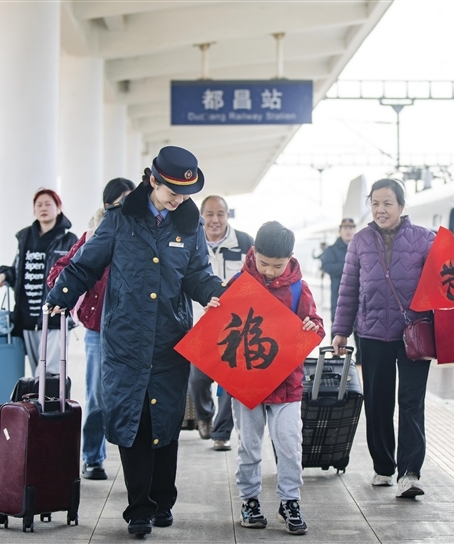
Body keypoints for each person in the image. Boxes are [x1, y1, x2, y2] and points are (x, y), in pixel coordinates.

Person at [44, 146, 224, 538]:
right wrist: (61, 295)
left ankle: (163, 500)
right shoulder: (120, 219)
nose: (178, 199)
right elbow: (87, 263)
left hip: (170, 340)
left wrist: (214, 292)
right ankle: (139, 507)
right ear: (153, 181)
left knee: (167, 422)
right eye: (171, 190)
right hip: (125, 341)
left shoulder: (188, 226)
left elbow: (197, 275)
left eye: (184, 193)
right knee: (134, 423)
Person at [331, 178, 435, 498]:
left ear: (402, 207)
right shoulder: (360, 241)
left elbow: (442, 282)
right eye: (375, 203)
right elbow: (348, 290)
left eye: (387, 203)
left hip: (414, 333)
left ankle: (410, 473)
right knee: (378, 403)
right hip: (372, 333)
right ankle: (383, 466)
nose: (380, 209)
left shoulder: (425, 240)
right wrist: (340, 331)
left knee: (411, 402)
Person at [228, 221, 325, 536]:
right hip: (247, 384)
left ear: (291, 258)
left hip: (287, 384)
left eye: (277, 265)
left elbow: (316, 324)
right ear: (253, 252)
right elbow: (222, 327)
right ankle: (250, 500)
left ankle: (289, 501)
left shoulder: (298, 288)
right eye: (264, 263)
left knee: (289, 444)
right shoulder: (239, 283)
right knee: (249, 445)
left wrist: (312, 327)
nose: (269, 271)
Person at [47, 178, 135, 481]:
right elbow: (61, 271)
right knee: (98, 396)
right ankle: (93, 458)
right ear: (108, 204)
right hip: (98, 330)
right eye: (120, 201)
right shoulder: (92, 235)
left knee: (129, 399)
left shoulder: (141, 236)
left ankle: (133, 467)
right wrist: (65, 296)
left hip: (131, 330)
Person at [188, 195, 254, 451]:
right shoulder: (191, 243)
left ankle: (221, 432)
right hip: (201, 323)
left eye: (220, 214)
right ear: (201, 216)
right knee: (197, 379)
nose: (215, 220)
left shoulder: (246, 243)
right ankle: (204, 415)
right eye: (209, 214)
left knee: (231, 381)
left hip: (237, 326)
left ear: (228, 215)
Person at [0, 188, 78, 375]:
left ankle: (53, 406)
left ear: (58, 208)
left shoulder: (69, 240)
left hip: (55, 318)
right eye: (39, 204)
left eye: (48, 204)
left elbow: (77, 273)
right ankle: (39, 406)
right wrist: (5, 275)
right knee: (36, 376)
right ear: (33, 210)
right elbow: (18, 269)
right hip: (28, 319)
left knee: (49, 374)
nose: (43, 208)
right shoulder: (25, 238)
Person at [320, 218, 359, 359]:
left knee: (360, 324)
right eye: (345, 228)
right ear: (340, 231)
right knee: (337, 323)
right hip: (338, 294)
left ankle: (360, 357)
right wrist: (349, 267)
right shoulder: (331, 250)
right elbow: (327, 266)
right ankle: (335, 356)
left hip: (359, 294)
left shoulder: (360, 248)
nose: (348, 231)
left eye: (351, 228)